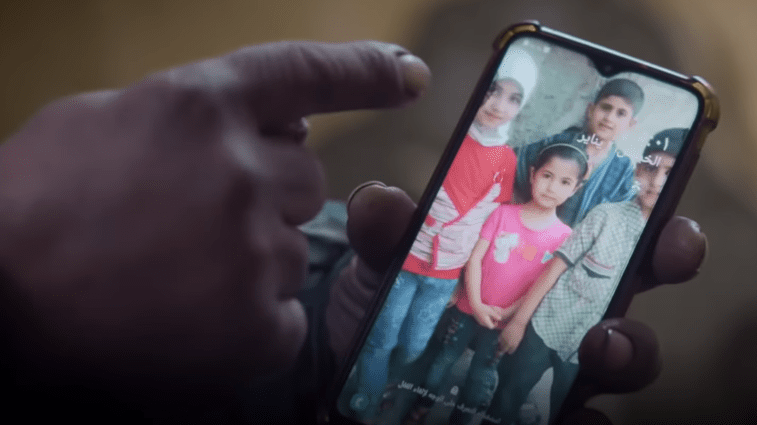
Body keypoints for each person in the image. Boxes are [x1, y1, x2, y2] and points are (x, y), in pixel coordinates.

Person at [0, 41, 706, 424]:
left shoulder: (611, 203)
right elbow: (492, 211)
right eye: (605, 109)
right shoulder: (527, 159)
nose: (609, 124)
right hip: (469, 271)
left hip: (525, 284)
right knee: (423, 348)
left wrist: (315, 336)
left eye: (623, 116)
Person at [343, 48, 538, 422]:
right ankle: (365, 403)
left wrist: (467, 283)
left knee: (415, 344)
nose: (499, 104)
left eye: (514, 98)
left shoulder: (507, 160)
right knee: (380, 337)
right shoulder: (445, 137)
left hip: (446, 274)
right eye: (493, 90)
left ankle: (389, 388)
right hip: (408, 261)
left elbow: (487, 222)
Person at [484, 128, 690, 425]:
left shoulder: (666, 243)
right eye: (651, 168)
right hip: (546, 325)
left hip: (587, 346)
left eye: (669, 172)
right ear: (638, 168)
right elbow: (556, 267)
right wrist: (518, 321)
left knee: (564, 409)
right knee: (505, 398)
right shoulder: (606, 216)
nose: (656, 181)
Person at [405, 142, 588, 425]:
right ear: (532, 174)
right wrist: (476, 303)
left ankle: (461, 420)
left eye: (564, 182)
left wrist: (509, 314)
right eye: (547, 176)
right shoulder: (503, 214)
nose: (552, 187)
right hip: (468, 307)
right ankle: (420, 408)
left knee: (480, 378)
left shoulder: (565, 237)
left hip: (504, 322)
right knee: (441, 363)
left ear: (575, 189)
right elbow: (476, 258)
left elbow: (542, 286)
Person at [514, 78, 645, 226]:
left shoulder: (624, 171)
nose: (609, 118)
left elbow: (617, 220)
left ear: (631, 124)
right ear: (591, 110)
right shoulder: (555, 143)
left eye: (621, 114)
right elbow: (513, 166)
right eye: (605, 108)